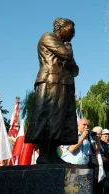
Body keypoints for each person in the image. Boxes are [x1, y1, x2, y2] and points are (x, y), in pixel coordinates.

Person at [25, 17, 78, 164]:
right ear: (60, 27)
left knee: (60, 120)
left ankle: (53, 154)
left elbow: (75, 70)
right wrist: (68, 49)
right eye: (71, 29)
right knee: (48, 117)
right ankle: (44, 154)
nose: (74, 33)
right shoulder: (49, 37)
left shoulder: (64, 45)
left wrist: (68, 53)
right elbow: (67, 56)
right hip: (50, 82)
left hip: (64, 84)